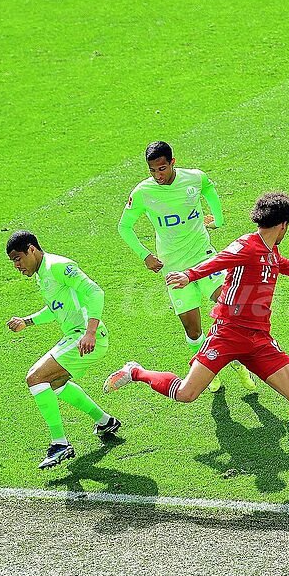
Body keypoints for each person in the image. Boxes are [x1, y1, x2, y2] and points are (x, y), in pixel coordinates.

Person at [104, 192, 289, 480]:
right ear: (284, 224)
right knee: (187, 393)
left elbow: (285, 265)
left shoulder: (271, 252)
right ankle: (136, 372)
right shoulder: (247, 245)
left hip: (259, 339)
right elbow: (220, 260)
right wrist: (190, 275)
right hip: (227, 334)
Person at [118, 141, 256, 393]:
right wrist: (145, 255)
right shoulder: (142, 193)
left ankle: (238, 363)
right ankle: (208, 372)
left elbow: (209, 189)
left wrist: (218, 220)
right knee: (193, 331)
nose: (158, 175)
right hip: (174, 268)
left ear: (172, 162)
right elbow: (124, 227)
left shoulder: (194, 178)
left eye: (162, 168)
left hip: (204, 258)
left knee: (231, 310)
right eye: (152, 170)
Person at [6, 231, 120, 469]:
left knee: (35, 378)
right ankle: (104, 421)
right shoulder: (43, 275)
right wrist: (27, 321)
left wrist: (90, 332)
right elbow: (55, 308)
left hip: (87, 336)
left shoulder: (58, 266)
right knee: (55, 384)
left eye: (18, 258)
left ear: (31, 249)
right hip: (76, 336)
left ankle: (60, 443)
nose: (17, 266)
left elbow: (95, 292)